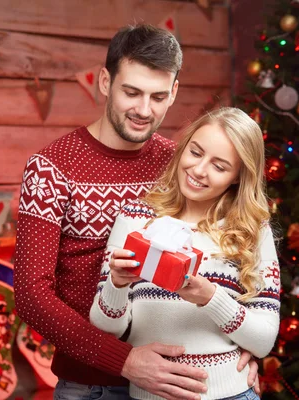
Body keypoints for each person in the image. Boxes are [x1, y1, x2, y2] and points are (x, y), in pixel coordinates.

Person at [13, 24, 259, 400]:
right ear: (104, 81)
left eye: (158, 96)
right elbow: (32, 295)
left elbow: (228, 254)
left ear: (174, 91)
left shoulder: (180, 164)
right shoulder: (51, 168)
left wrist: (240, 345)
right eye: (131, 92)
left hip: (181, 382)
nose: (144, 110)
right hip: (91, 386)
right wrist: (125, 361)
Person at [89, 107, 281, 400]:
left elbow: (264, 340)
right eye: (196, 152)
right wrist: (116, 284)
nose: (199, 170)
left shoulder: (253, 229)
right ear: (183, 148)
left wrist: (211, 298)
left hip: (230, 393)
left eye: (219, 166)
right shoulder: (135, 218)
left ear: (237, 177)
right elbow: (108, 329)